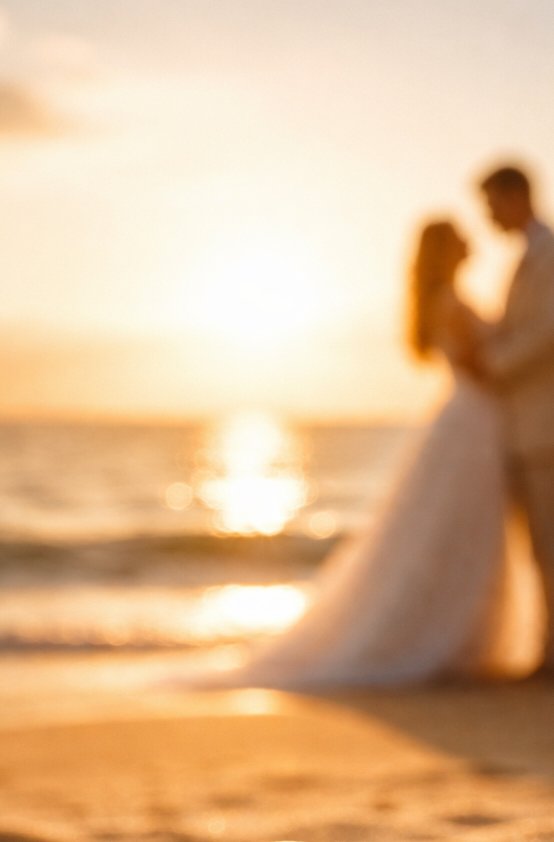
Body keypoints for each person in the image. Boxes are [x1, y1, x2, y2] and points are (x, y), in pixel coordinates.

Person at [224, 219, 526, 689]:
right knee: (456, 530)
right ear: (443, 250)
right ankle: (444, 638)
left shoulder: (443, 299)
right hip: (472, 421)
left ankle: (458, 636)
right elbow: (479, 366)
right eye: (458, 238)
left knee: (453, 532)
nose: (469, 242)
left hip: (468, 420)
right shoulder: (449, 302)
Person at [478, 164, 554, 680]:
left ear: (516, 196)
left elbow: (552, 336)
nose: (488, 216)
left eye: (491, 204)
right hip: (527, 428)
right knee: (542, 545)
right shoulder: (530, 258)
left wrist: (492, 365)